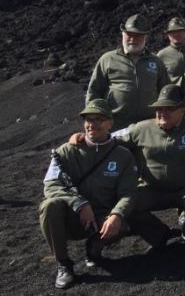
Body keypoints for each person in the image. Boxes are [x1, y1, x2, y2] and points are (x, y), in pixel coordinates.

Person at [107, 84, 185, 250]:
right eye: (159, 109)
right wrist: (83, 138)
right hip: (152, 188)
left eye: (169, 109)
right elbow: (109, 140)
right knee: (125, 205)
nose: (162, 113)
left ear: (182, 110)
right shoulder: (141, 128)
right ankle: (159, 235)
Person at [40, 100, 137, 289]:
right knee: (49, 206)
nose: (91, 124)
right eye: (87, 119)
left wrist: (116, 215)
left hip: (101, 218)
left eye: (98, 119)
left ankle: (94, 248)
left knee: (123, 224)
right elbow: (50, 185)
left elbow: (129, 193)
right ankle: (64, 264)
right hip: (71, 217)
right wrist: (80, 204)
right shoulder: (65, 151)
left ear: (110, 122)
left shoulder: (123, 155)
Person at [86, 13, 171, 128]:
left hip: (149, 125)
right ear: (122, 34)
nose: (132, 39)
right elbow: (94, 92)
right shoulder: (108, 59)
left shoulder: (156, 62)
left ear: (145, 37)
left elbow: (166, 92)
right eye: (129, 34)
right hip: (115, 125)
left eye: (138, 35)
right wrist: (94, 121)